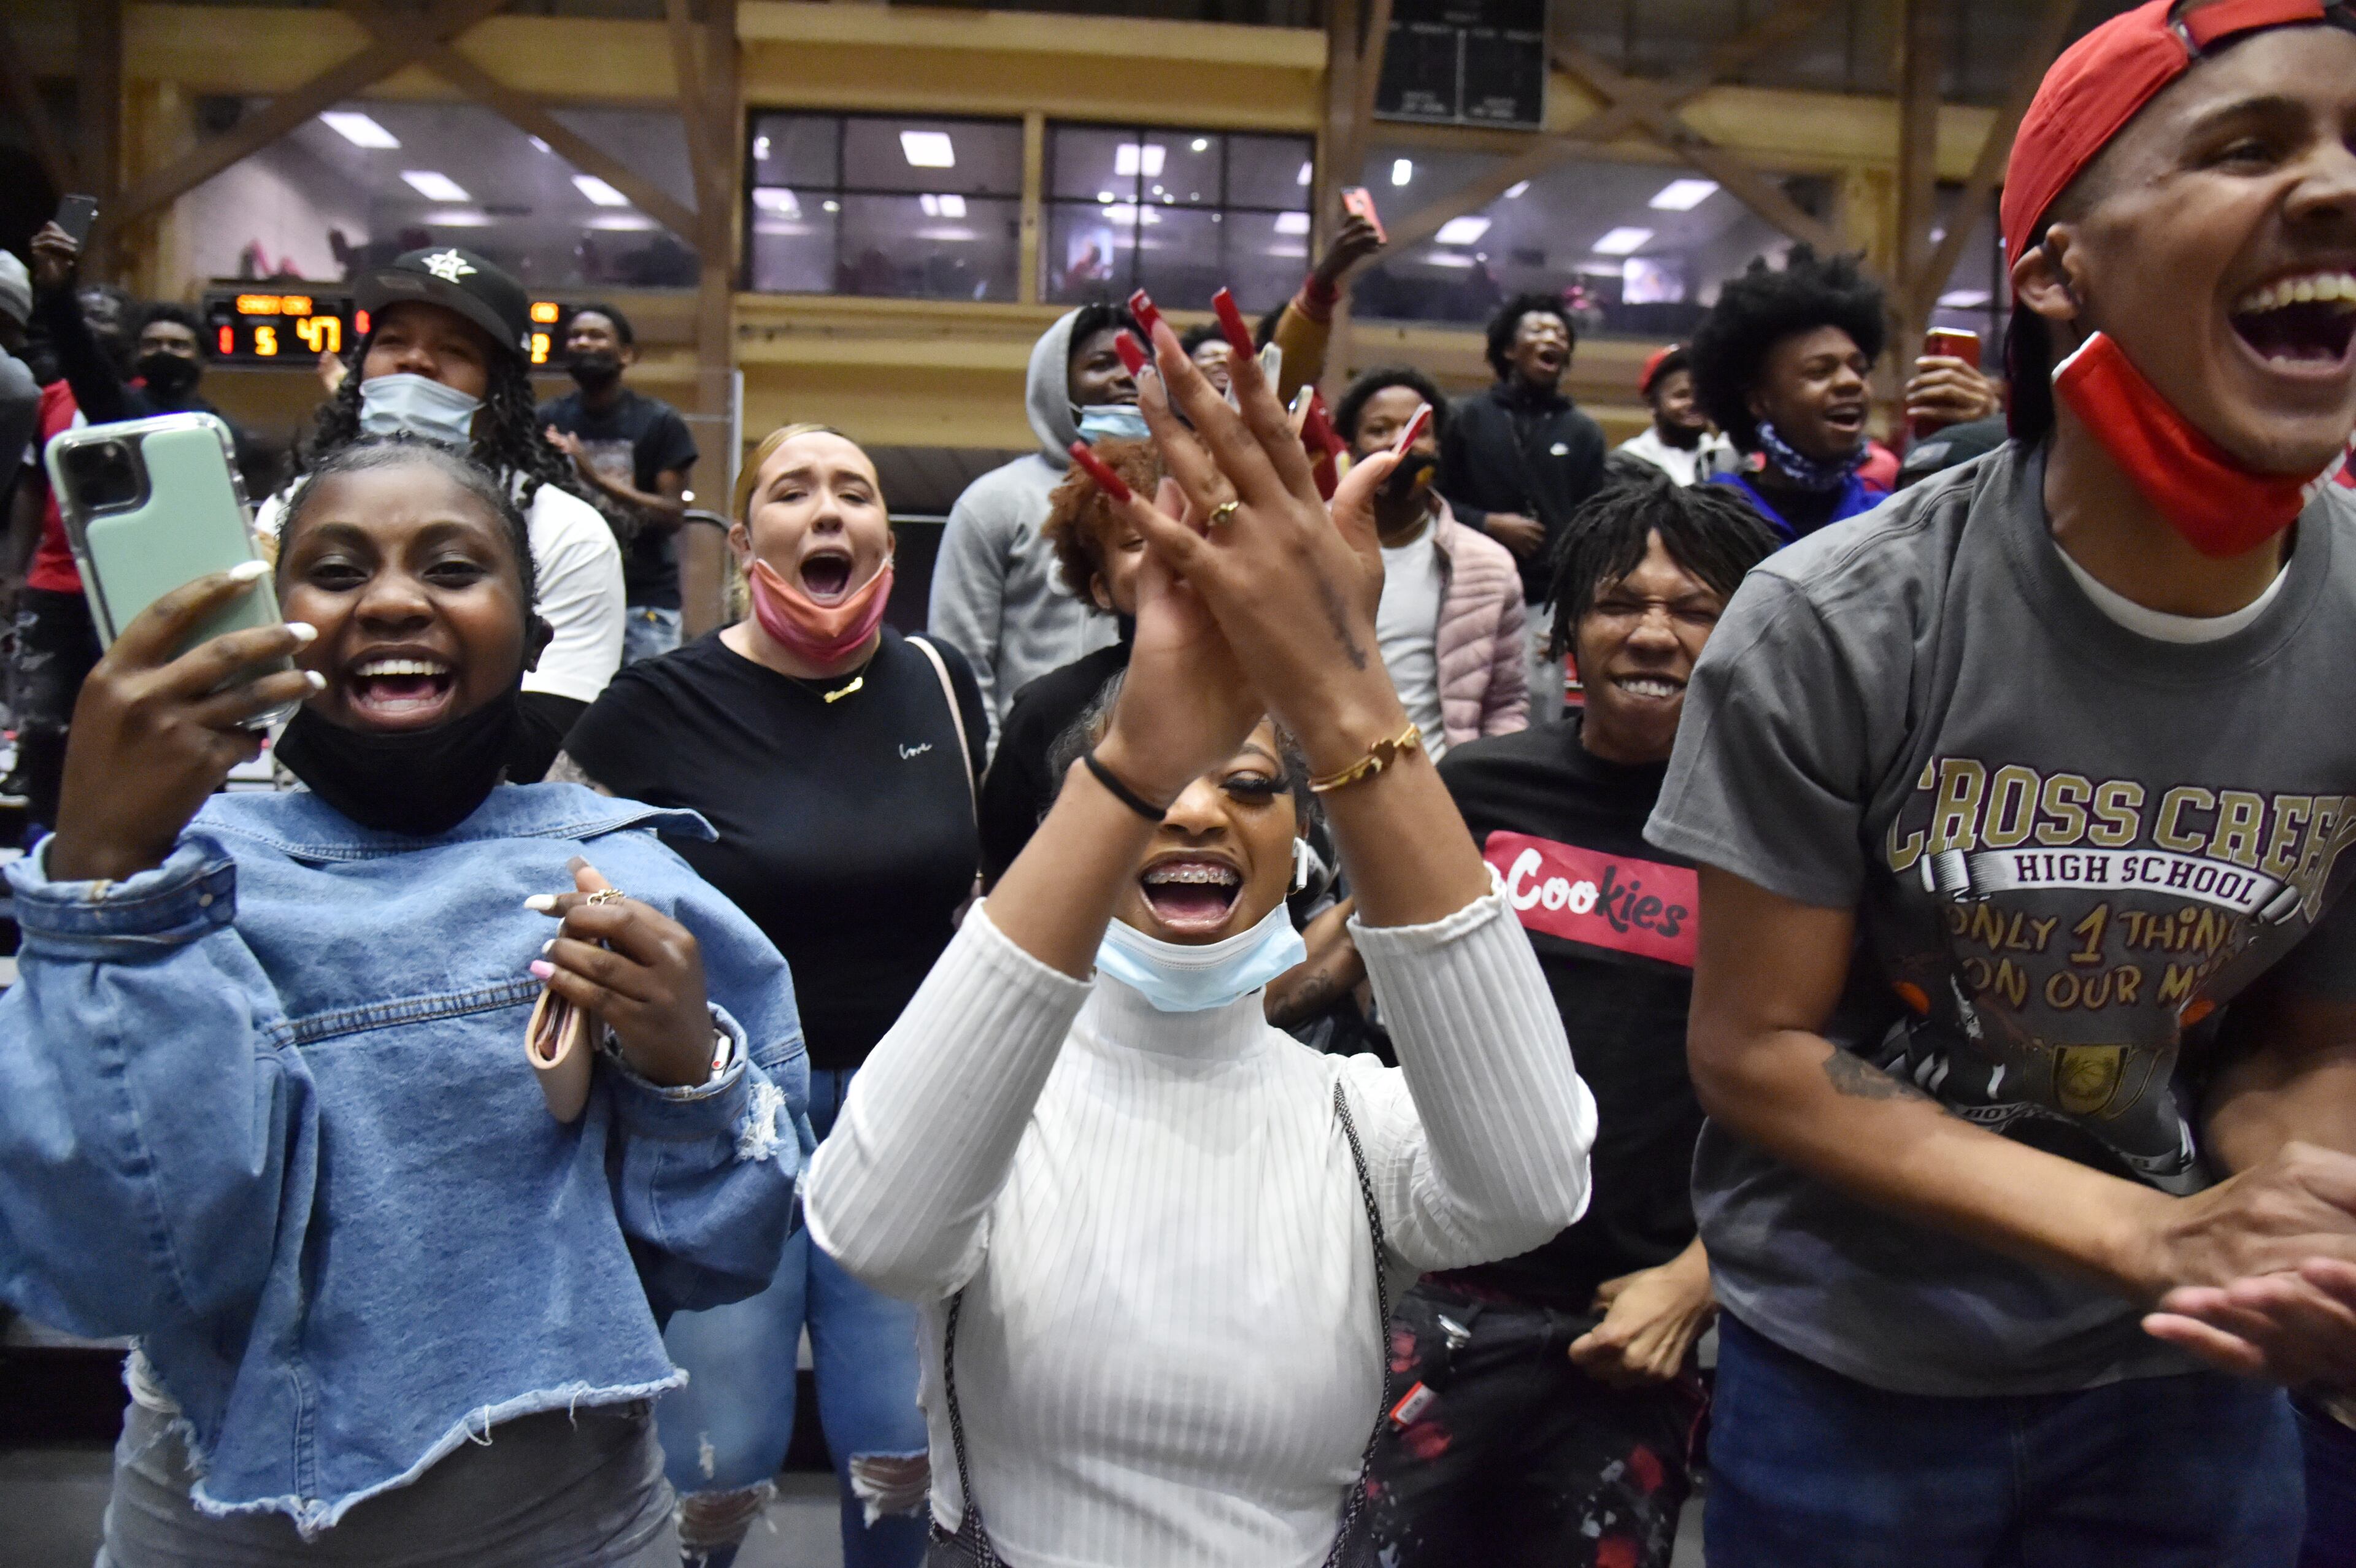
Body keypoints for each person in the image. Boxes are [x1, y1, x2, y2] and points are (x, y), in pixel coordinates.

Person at [1648, 4, 2356, 1562]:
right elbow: (1756, 1049)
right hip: (1855, 1366)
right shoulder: (1837, 620)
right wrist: (2150, 1233)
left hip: (2181, 1369)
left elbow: (2303, 1033)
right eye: (2246, 148)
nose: (2333, 187)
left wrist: (2305, 1211)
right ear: (2053, 267)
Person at [806, 291, 1596, 1567]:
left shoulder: (1352, 1122)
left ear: (1302, 855)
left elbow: (1530, 1181)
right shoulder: (1008, 1101)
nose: (1196, 814)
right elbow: (876, 1226)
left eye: (1249, 787)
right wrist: (1127, 761)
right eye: (1159, 793)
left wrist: (1346, 703)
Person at [0, 436, 805, 1564]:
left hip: (566, 1532)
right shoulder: (172, 882)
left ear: (532, 638)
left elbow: (726, 1255)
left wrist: (686, 1072)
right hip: (215, 1533)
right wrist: (104, 882)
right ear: (267, 619)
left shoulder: (635, 882)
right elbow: (100, 1265)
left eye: (450, 566)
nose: (389, 599)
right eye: (335, 572)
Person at [558, 423, 986, 1568]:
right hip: (718, 1121)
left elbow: (982, 894)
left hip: (908, 1115)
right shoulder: (655, 704)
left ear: (888, 535)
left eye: (856, 489)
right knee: (723, 1456)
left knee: (897, 1448)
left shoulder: (940, 682)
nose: (829, 510)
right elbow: (557, 891)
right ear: (747, 538)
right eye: (794, 491)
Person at [1368, 473, 1780, 1568]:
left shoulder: (1785, 833)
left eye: (1693, 608)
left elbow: (1819, 1081)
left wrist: (1700, 1278)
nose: (1652, 633)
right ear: (1566, 633)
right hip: (1443, 1294)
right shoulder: (1485, 790)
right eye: (1617, 603)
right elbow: (1382, 1017)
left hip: (1631, 1325)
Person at [260, 245, 625, 782]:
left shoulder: (566, 531)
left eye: (454, 349)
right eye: (392, 341)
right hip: (303, 826)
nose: (416, 362)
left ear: (499, 391)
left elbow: (546, 735)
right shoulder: (288, 515)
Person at [928, 304, 1138, 727]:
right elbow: (962, 662)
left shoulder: (1174, 498)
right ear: (1056, 385)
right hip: (1025, 766)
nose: (1126, 376)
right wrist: (986, 775)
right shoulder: (994, 500)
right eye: (1101, 364)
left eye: (1137, 362)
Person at [974, 436, 1153, 888]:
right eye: (1136, 541)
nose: (1167, 551)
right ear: (1102, 588)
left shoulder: (1272, 695)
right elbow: (1006, 874)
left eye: (1185, 531)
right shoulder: (1046, 710)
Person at [1334, 364, 1528, 756]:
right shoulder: (1303, 548)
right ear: (1352, 447)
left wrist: (1484, 788)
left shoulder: (1489, 566)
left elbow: (1506, 705)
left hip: (1441, 790)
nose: (1399, 443)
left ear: (1438, 447)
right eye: (1379, 429)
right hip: (1322, 790)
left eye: (1418, 430)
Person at [1438, 292, 1609, 724]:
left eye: (1561, 334)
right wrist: (1489, 524)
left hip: (1544, 601)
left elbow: (1594, 522)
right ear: (1510, 349)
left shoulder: (1584, 431)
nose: (1553, 338)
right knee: (1460, 701)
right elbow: (1432, 502)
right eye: (1538, 330)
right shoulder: (1466, 418)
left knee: (1536, 709)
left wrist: (1576, 605)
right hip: (1463, 589)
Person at [1687, 245, 1890, 542]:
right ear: (1759, 402)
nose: (1851, 383)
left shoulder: (1890, 520)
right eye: (1820, 371)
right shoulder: (1705, 524)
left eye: (1860, 369)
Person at [539, 303, 700, 665]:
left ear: (626, 354)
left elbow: (672, 514)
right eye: (576, 336)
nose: (583, 343)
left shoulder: (660, 422)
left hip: (644, 600)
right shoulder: (548, 419)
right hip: (570, 595)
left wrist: (594, 478)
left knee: (647, 714)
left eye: (596, 336)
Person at [1617, 344, 1733, 486]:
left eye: (1701, 394)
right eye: (1681, 395)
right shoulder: (1624, 466)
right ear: (1652, 404)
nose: (1694, 403)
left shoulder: (1728, 461)